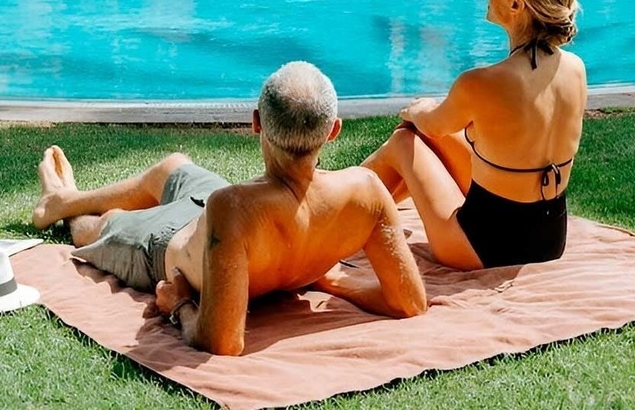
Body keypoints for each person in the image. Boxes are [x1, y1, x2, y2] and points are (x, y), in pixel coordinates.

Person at [29, 61, 427, 355]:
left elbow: (221, 341)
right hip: (223, 219)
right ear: (334, 130)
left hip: (163, 247)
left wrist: (180, 305)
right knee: (173, 167)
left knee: (101, 227)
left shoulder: (234, 206)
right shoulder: (367, 191)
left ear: (256, 123)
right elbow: (408, 300)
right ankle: (63, 199)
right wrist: (322, 275)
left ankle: (67, 210)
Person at [360, 0, 586, 270]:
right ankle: (357, 208)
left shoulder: (482, 82)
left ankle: (338, 211)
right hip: (550, 239)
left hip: (482, 246)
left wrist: (417, 109)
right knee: (432, 138)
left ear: (515, 3)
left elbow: (431, 124)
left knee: (404, 140)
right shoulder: (575, 68)